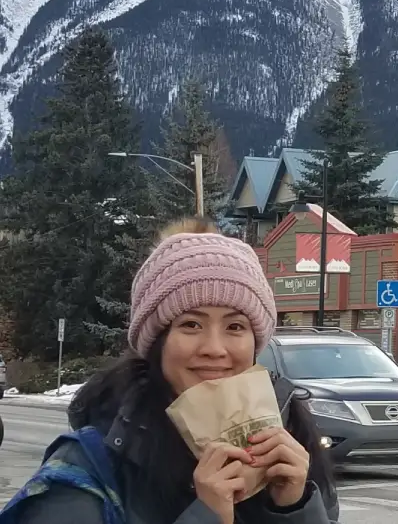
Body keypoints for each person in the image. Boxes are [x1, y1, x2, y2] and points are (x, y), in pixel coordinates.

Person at [3, 217, 339, 524]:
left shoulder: (293, 444)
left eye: (236, 327)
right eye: (191, 324)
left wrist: (293, 510)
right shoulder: (89, 467)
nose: (215, 348)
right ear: (156, 342)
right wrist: (205, 516)